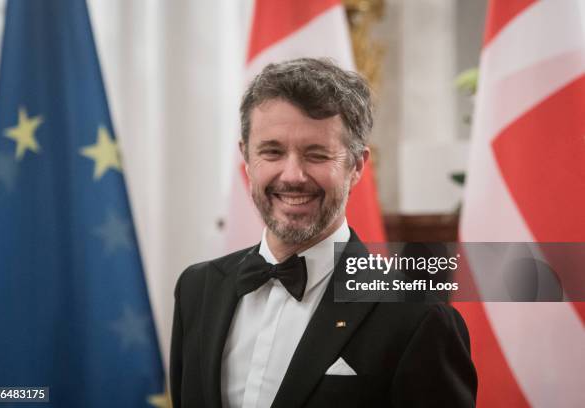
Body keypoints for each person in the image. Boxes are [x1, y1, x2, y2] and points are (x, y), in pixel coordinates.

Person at [170, 58, 477, 407]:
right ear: (246, 157)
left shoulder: (418, 317)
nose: (292, 175)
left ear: (357, 165)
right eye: (272, 151)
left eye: (316, 155)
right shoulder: (197, 289)